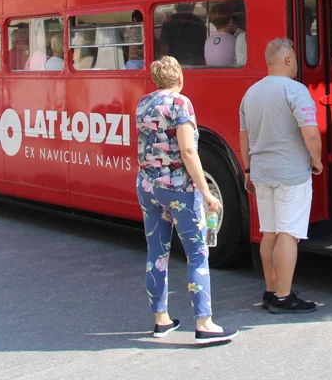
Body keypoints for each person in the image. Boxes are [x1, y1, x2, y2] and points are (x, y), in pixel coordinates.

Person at [135, 56, 236, 345]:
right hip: (179, 189)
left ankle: (161, 320)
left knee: (157, 253)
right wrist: (206, 193)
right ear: (179, 78)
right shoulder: (181, 104)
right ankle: (204, 324)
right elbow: (188, 151)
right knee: (197, 253)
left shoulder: (144, 103)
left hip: (147, 186)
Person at [239, 37, 321, 314]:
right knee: (289, 233)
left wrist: (248, 169)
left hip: (261, 174)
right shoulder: (296, 91)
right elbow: (310, 132)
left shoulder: (250, 93)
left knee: (270, 233)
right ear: (287, 60)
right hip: (291, 175)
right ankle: (285, 298)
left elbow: (244, 137)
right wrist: (317, 160)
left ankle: (271, 291)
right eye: (295, 58)